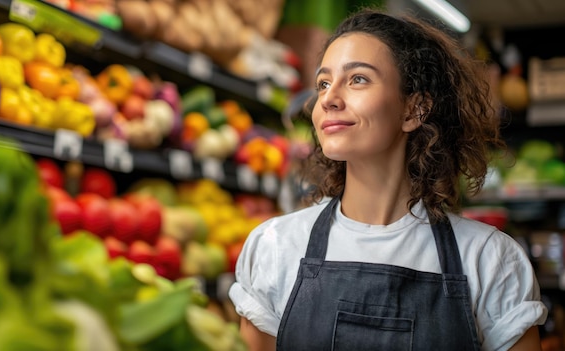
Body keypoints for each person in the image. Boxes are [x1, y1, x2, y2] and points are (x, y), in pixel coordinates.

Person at [228, 8, 548, 351]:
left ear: (414, 110)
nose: (328, 99)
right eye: (323, 83)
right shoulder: (275, 248)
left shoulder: (488, 260)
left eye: (358, 79)